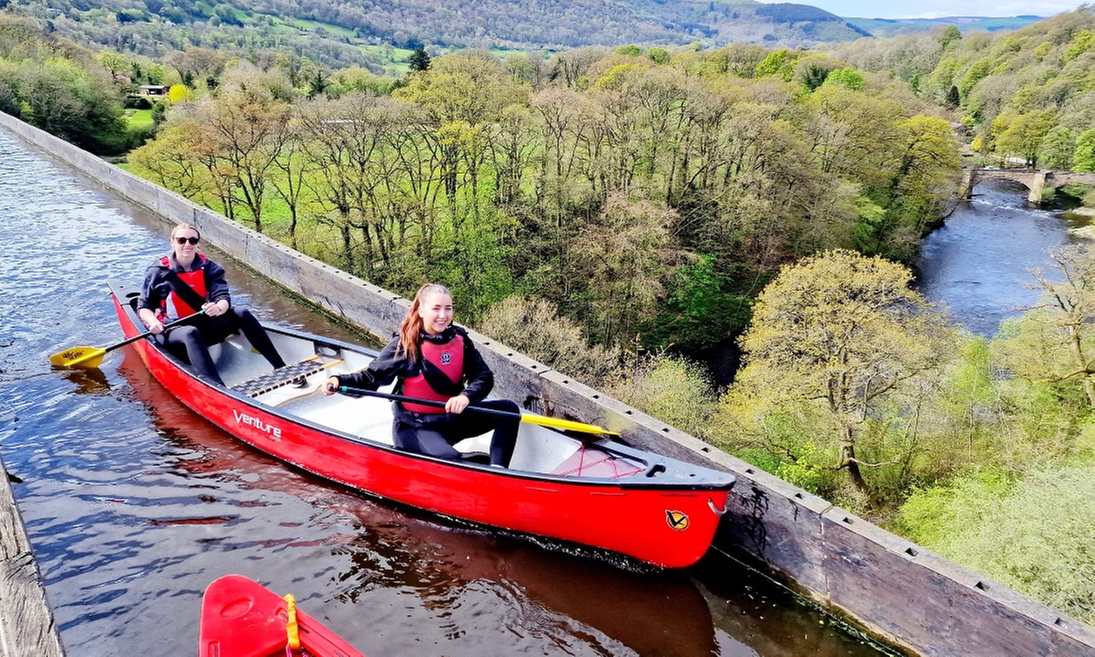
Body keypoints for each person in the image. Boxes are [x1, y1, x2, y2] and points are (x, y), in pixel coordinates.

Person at [324, 283, 519, 468]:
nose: (443, 315)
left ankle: (498, 470)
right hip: (416, 427)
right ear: (421, 311)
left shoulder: (460, 340)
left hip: (452, 420)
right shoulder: (405, 345)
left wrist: (466, 396)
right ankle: (460, 461)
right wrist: (339, 381)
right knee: (449, 459)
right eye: (436, 309)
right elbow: (370, 378)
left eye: (448, 308)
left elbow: (483, 376)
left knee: (508, 411)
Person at [137, 223, 287, 387]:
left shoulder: (209, 268)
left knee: (242, 313)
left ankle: (280, 367)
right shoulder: (157, 272)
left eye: (192, 240)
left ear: (197, 244)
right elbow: (144, 307)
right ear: (172, 242)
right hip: (174, 332)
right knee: (190, 332)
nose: (187, 244)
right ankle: (218, 387)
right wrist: (153, 322)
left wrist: (219, 307)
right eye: (181, 240)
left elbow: (222, 296)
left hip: (205, 327)